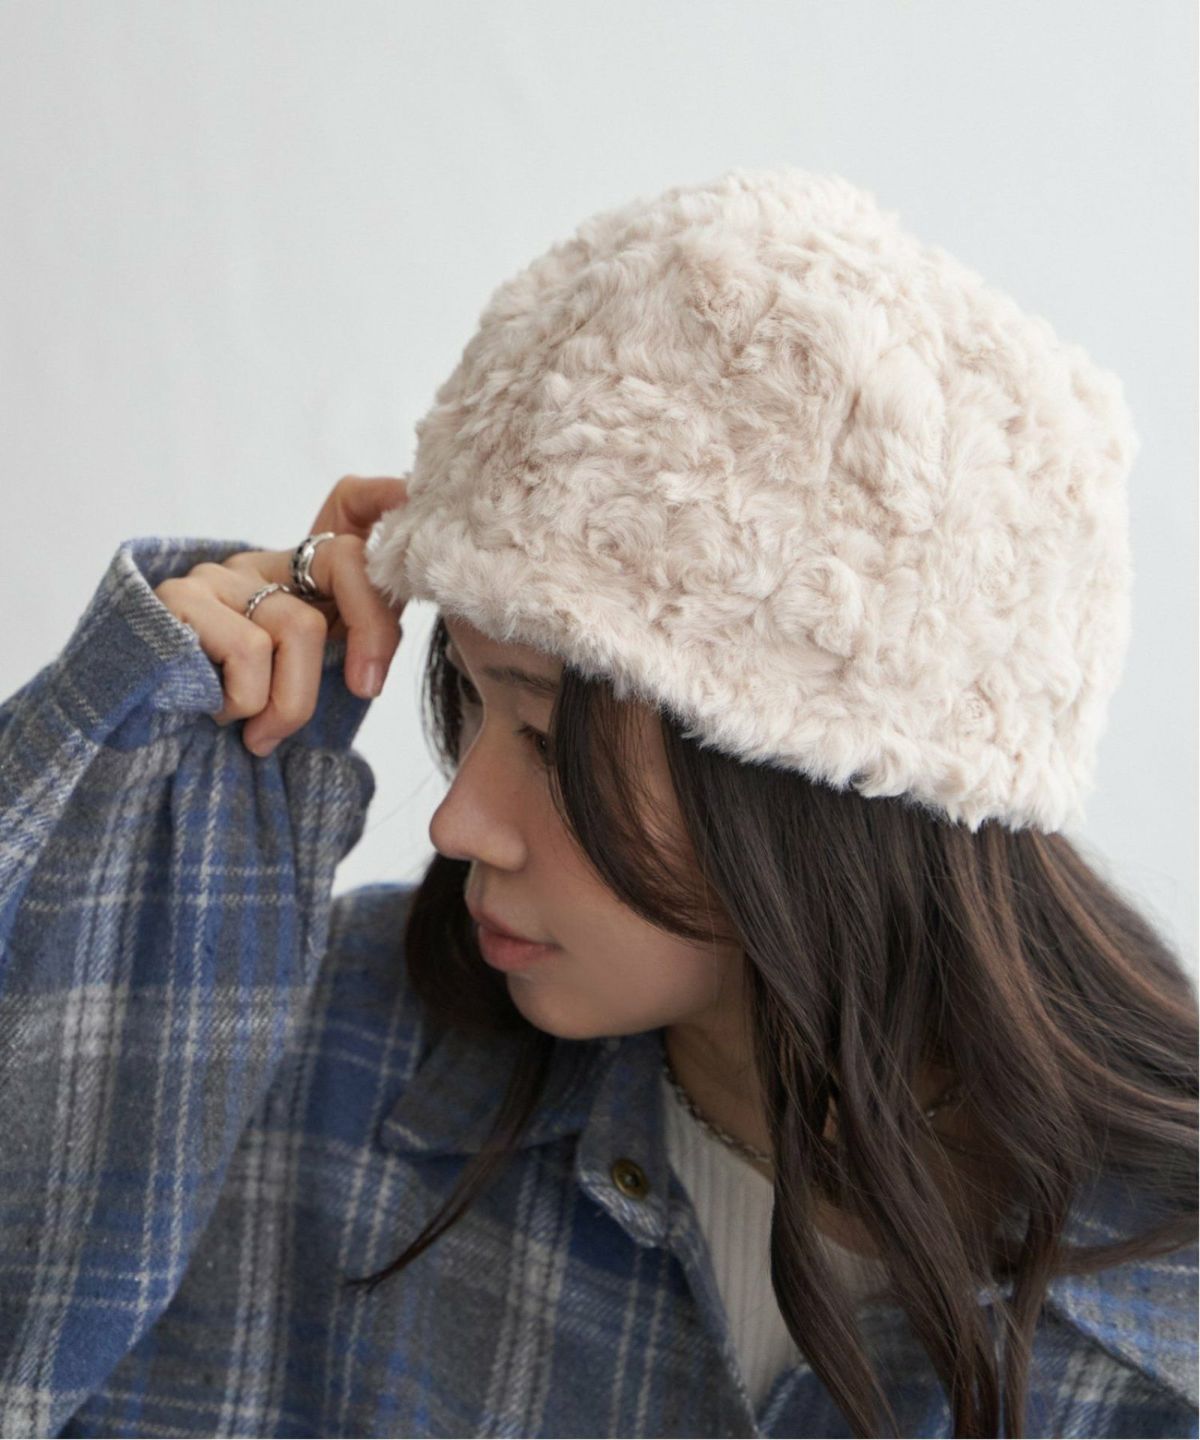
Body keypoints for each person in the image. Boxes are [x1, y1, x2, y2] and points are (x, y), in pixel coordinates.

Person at [0, 167, 1195, 1440]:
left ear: (812, 783)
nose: (456, 823)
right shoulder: (301, 1047)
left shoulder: (1152, 1326)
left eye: (548, 739)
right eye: (473, 704)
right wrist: (136, 762)